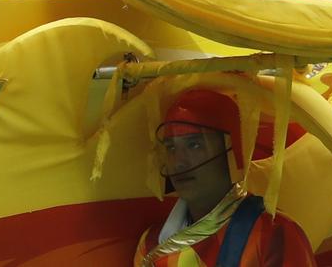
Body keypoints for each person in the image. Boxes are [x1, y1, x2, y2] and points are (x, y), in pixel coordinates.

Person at [135, 89, 317, 267]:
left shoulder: (272, 233)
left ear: (230, 150)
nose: (179, 162)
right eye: (171, 148)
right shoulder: (151, 244)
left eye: (194, 145)